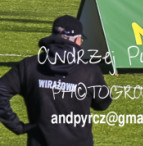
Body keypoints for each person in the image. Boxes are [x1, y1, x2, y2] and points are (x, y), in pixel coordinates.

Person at [0, 15, 113, 145]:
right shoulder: (89, 71)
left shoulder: (29, 66)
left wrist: (17, 126)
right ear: (77, 40)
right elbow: (103, 104)